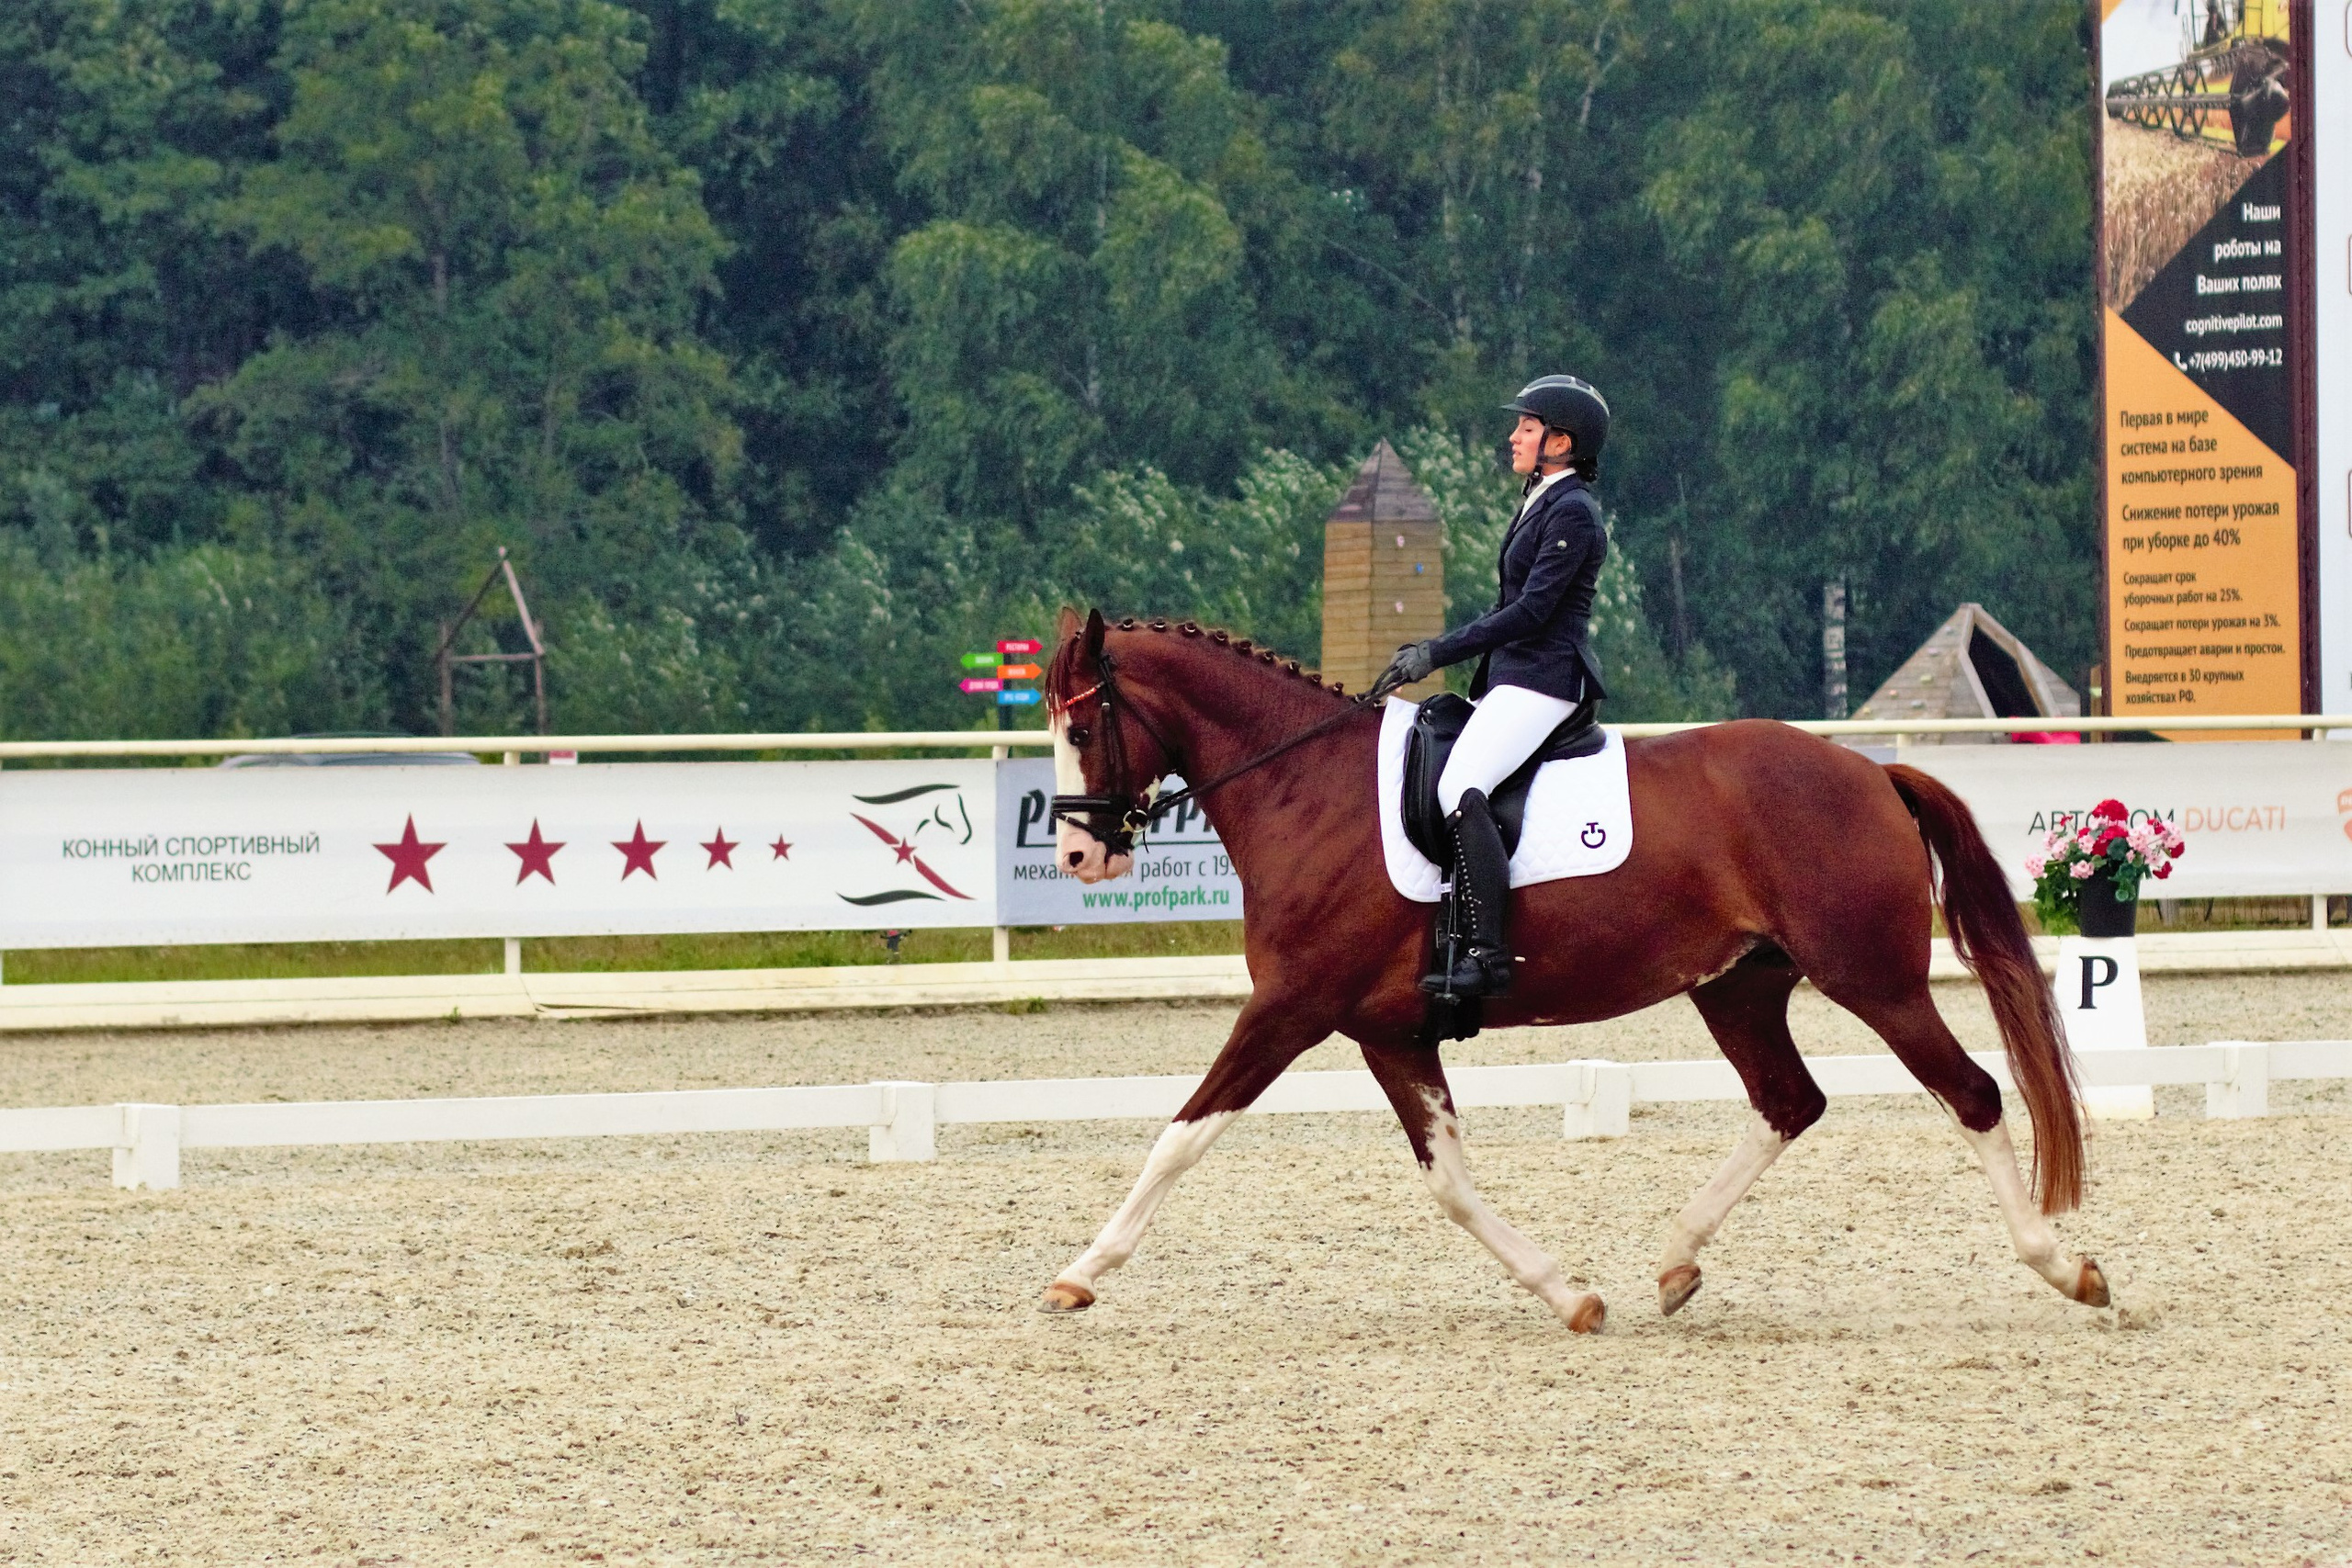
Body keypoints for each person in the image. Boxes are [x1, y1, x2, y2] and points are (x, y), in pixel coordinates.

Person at [1377, 374, 1611, 998]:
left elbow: (1532, 612)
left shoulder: (1574, 512)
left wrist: (1436, 651)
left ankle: (1487, 951)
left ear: (1560, 442)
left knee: (1459, 783)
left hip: (1545, 676)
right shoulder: (1543, 498)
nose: (1514, 436)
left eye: (1527, 427)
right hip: (1516, 675)